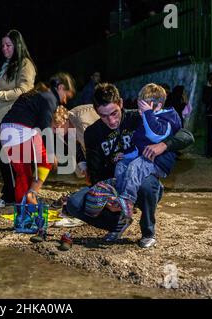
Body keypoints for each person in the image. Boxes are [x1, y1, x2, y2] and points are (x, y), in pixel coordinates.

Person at [68, 83, 194, 248]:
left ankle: (147, 230)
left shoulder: (140, 116)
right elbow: (95, 172)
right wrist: (106, 199)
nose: (111, 120)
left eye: (114, 113)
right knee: (74, 203)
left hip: (140, 183)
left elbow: (186, 136)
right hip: (113, 186)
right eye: (104, 116)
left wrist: (164, 145)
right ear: (96, 111)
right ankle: (118, 222)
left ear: (120, 103)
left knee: (148, 184)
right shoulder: (92, 133)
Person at [0, 29, 37, 208]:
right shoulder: (5, 65)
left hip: (14, 118)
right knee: (4, 159)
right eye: (2, 45)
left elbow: (25, 90)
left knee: (13, 160)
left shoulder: (25, 64)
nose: (4, 49)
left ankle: (13, 194)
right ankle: (10, 192)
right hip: (0, 117)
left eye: (8, 45)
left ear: (17, 46)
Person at [0, 73, 76, 205]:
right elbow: (45, 128)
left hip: (6, 131)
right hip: (18, 130)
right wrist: (52, 153)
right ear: (61, 87)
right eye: (66, 96)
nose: (65, 100)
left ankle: (23, 202)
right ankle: (30, 196)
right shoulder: (49, 98)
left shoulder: (39, 95)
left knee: (24, 172)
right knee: (45, 161)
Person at [114, 83, 182, 219]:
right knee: (122, 164)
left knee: (135, 165)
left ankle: (128, 200)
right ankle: (120, 197)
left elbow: (155, 135)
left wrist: (147, 113)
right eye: (139, 109)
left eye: (142, 109)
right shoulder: (146, 119)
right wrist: (125, 155)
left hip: (158, 163)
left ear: (157, 106)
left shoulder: (168, 118)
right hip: (144, 158)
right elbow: (139, 146)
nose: (139, 112)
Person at [52, 104, 99, 179]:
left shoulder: (82, 121)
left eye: (55, 128)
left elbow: (96, 149)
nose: (55, 132)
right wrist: (84, 168)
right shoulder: (63, 130)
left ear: (64, 121)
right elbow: (75, 150)